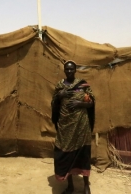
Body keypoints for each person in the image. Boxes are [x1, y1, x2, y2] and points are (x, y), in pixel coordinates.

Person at [51, 60, 95, 194]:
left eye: (71, 69)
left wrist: (80, 103)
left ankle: (86, 186)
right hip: (65, 127)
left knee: (83, 154)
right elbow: (54, 103)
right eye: (67, 69)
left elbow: (92, 103)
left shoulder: (83, 85)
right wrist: (59, 96)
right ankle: (70, 186)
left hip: (81, 126)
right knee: (65, 154)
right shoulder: (60, 86)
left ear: (75, 70)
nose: (69, 71)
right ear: (64, 70)